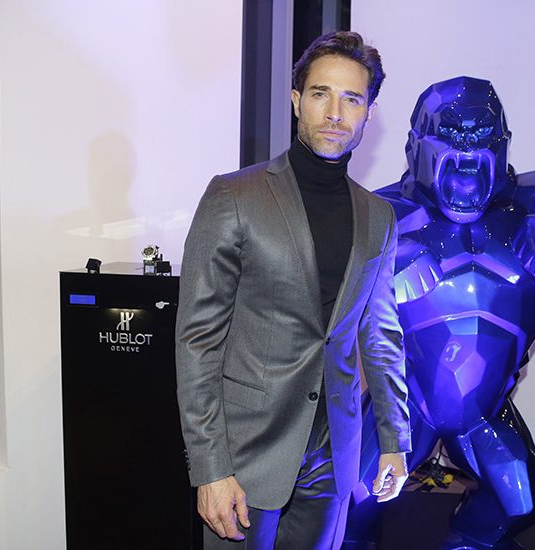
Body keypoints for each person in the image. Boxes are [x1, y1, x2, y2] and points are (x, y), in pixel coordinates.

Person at [175, 31, 411, 549]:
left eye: (352, 99)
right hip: (246, 456)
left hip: (334, 454)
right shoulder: (234, 196)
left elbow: (380, 336)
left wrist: (394, 439)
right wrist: (210, 468)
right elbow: (197, 342)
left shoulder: (379, 216)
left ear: (368, 113)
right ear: (296, 100)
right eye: (321, 93)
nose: (335, 113)